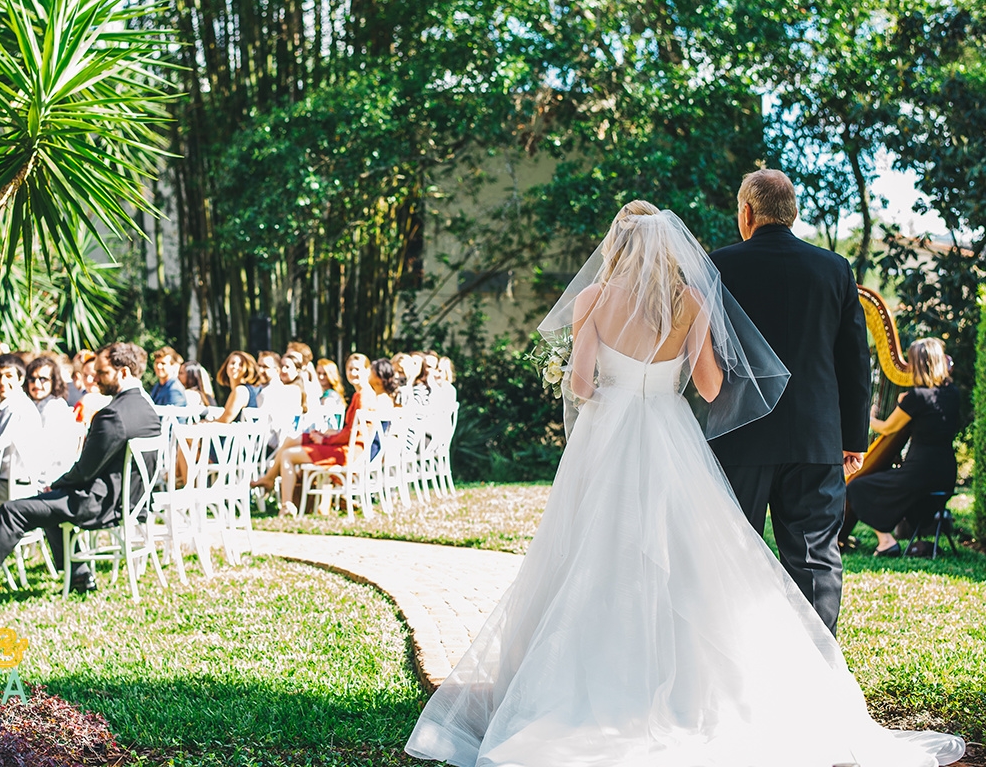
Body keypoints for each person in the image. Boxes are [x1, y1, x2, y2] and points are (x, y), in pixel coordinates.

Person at [405, 201, 964, 767]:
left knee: (593, 551)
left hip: (609, 435)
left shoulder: (593, 300)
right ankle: (692, 684)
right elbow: (714, 388)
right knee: (688, 558)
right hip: (670, 431)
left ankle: (593, 677)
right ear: (673, 250)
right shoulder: (691, 300)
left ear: (617, 246)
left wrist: (607, 389)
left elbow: (578, 382)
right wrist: (667, 377)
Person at [708, 169, 871, 635]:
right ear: (792, 214)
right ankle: (819, 669)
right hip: (815, 438)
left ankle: (733, 660)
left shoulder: (719, 265)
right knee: (816, 558)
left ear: (747, 212)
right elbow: (854, 361)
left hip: (740, 434)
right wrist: (853, 438)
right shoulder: (834, 268)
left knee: (732, 552)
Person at [0, 343, 162, 607]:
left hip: (101, 504)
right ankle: (80, 574)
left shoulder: (113, 414)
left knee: (15, 510)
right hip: (129, 501)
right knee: (48, 502)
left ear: (123, 372)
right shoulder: (147, 409)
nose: (95, 378)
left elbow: (84, 470)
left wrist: (55, 486)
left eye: (102, 373)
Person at [842, 338, 962, 556]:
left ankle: (886, 542)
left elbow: (887, 427)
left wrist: (866, 417)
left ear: (920, 365)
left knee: (857, 487)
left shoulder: (916, 397)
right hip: (945, 473)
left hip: (920, 473)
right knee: (884, 478)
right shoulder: (952, 393)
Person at [252, 354, 384, 515]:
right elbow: (351, 430)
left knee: (288, 455)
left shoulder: (364, 396)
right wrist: (329, 434)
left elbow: (355, 433)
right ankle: (270, 480)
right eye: (350, 369)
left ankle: (285, 504)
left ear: (367, 371)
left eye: (357, 369)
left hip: (349, 452)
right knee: (292, 439)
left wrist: (326, 439)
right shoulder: (362, 394)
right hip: (346, 445)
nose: (353, 373)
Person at [0, 353, 44, 503]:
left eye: (9, 376)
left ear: (20, 379)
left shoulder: (19, 408)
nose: (2, 381)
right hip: (7, 483)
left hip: (13, 487)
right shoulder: (12, 405)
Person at [24, 355, 74, 429]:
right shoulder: (24, 404)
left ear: (54, 381)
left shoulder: (57, 407)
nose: (36, 384)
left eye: (42, 379)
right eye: (32, 379)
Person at [212, 350, 261, 423]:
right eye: (232, 363)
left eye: (241, 364)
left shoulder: (240, 391)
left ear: (248, 368)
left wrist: (204, 423)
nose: (235, 367)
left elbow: (224, 421)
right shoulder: (247, 389)